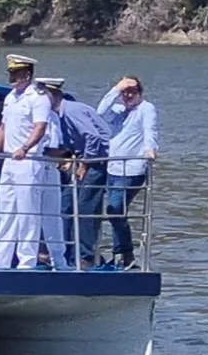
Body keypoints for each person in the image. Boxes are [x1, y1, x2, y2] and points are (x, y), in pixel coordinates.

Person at [0, 55, 53, 269]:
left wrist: (25, 148)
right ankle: (0, 258)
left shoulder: (39, 98)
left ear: (27, 74)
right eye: (10, 73)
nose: (11, 77)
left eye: (15, 73)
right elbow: (4, 127)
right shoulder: (11, 97)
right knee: (7, 211)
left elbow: (39, 128)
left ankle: (27, 259)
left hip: (28, 160)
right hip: (10, 160)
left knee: (27, 212)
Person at [96, 75, 159, 269]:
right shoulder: (117, 110)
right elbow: (98, 114)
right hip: (112, 169)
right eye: (125, 92)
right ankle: (122, 255)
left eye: (132, 91)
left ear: (140, 93)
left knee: (114, 208)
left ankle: (126, 253)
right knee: (116, 212)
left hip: (132, 169)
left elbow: (150, 130)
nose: (128, 95)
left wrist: (150, 149)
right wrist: (115, 89)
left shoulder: (146, 108)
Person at [53, 85, 113, 269]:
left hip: (96, 163)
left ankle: (84, 257)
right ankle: (66, 253)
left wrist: (85, 163)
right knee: (65, 206)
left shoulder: (71, 110)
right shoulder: (58, 115)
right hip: (81, 159)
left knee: (86, 209)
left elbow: (93, 137)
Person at [36, 78, 72, 268]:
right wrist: (69, 154)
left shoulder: (54, 116)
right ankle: (31, 257)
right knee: (30, 215)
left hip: (51, 170)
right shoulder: (38, 116)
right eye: (52, 94)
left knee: (52, 217)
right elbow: (47, 148)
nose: (55, 97)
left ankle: (58, 259)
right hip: (38, 168)